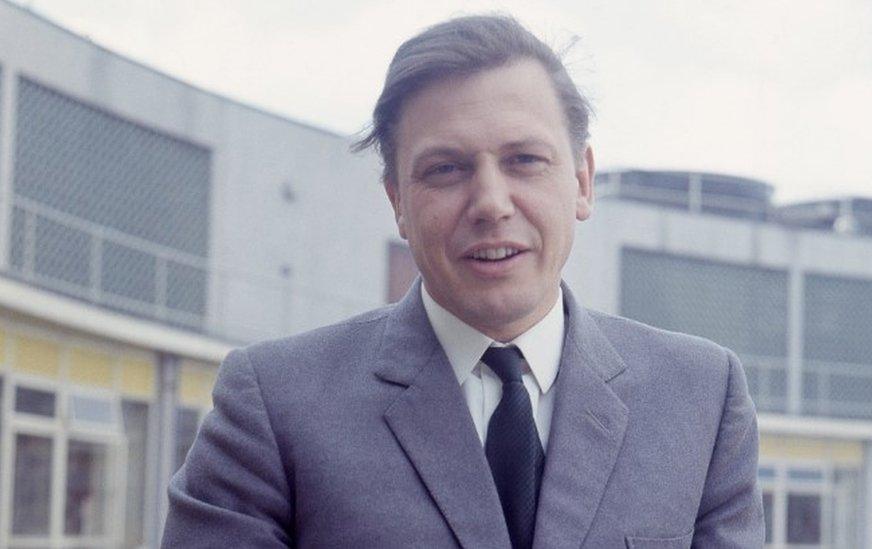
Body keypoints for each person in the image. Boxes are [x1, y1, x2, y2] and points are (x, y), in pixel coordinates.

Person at [163, 14, 764, 549]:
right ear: (397, 200)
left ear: (582, 181)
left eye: (524, 160)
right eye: (446, 169)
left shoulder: (702, 400)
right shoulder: (273, 405)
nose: (491, 203)